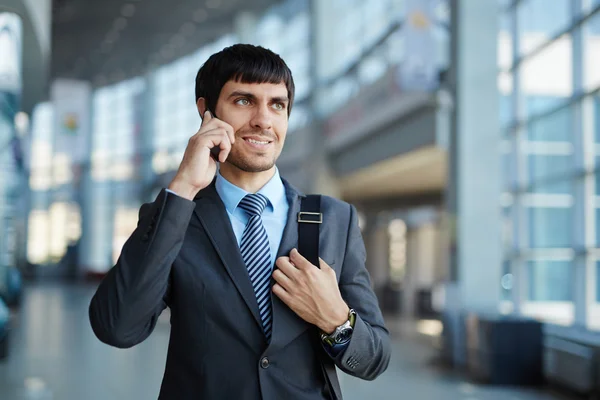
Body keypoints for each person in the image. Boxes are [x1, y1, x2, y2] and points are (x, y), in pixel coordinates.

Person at [89, 44, 390, 400]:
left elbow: (375, 358)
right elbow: (117, 328)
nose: (264, 119)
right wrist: (183, 187)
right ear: (207, 112)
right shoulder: (176, 215)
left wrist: (335, 319)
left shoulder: (333, 219)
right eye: (244, 100)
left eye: (277, 104)